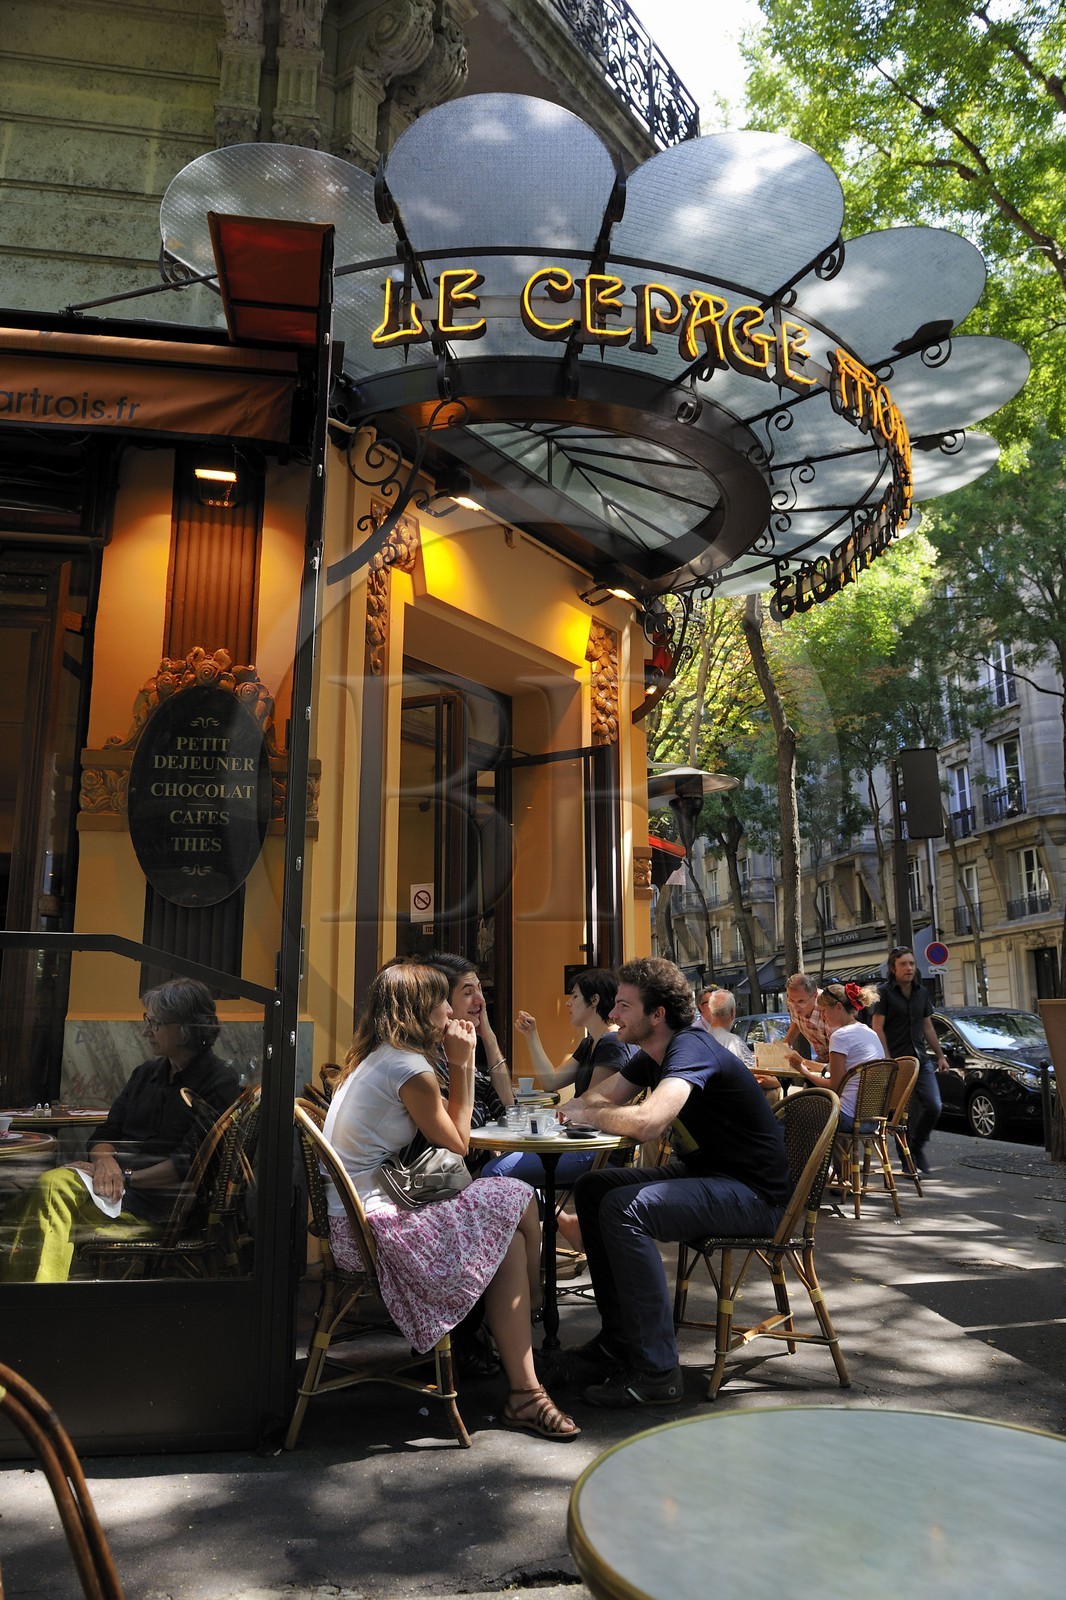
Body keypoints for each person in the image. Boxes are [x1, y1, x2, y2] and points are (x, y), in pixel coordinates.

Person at [321, 961, 579, 1442]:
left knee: (510, 1211)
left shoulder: (380, 1056)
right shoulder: (408, 1067)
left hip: (358, 1222)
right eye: (444, 1000)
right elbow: (459, 1142)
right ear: (422, 1009)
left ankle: (524, 1383)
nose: (449, 1010)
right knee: (513, 1198)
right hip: (371, 1235)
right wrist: (463, 1062)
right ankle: (529, 1341)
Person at [561, 956, 791, 1408]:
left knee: (625, 1207)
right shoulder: (652, 1054)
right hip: (710, 1176)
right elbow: (595, 1099)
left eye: (624, 1006)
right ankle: (617, 1342)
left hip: (753, 1194)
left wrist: (588, 1112)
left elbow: (649, 1122)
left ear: (656, 1015)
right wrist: (579, 1108)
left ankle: (656, 1370)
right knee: (593, 1190)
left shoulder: (691, 1047)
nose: (613, 1015)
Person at [0, 979, 239, 1283]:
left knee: (45, 1199)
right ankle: (34, 1306)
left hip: (160, 1210)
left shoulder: (218, 1081)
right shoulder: (146, 1074)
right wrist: (105, 1163)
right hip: (113, 1194)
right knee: (30, 1203)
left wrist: (125, 1178)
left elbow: (191, 1162)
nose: (145, 1030)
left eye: (155, 1023)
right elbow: (105, 1134)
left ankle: (30, 1311)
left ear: (185, 1028)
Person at [872, 946, 948, 1174]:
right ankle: (908, 1160)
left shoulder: (921, 993)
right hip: (897, 1061)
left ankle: (916, 1146)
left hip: (921, 1060)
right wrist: (886, 1058)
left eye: (912, 964)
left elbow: (927, 1026)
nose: (909, 968)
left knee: (934, 1106)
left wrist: (941, 1056)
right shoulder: (884, 993)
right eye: (903, 964)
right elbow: (877, 1027)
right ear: (893, 969)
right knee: (901, 1114)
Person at [424, 952, 514, 1132]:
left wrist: (489, 1038)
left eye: (479, 989)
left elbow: (507, 1107)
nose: (481, 1000)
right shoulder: (429, 1055)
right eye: (468, 993)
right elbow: (471, 1119)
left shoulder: (455, 1046)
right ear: (442, 1002)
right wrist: (484, 1108)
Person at [792, 982, 884, 1127]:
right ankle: (835, 1150)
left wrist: (803, 1071)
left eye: (824, 1010)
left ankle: (822, 1150)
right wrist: (805, 1062)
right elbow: (835, 1070)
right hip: (872, 1119)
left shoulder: (840, 1036)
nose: (822, 1016)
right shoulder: (868, 1032)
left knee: (789, 1113)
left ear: (839, 1007)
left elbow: (834, 1086)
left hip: (846, 1117)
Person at [699, 987, 781, 1106]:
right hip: (737, 1108)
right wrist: (777, 1082)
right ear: (732, 1012)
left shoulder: (701, 1041)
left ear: (711, 1012)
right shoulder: (734, 1042)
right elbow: (757, 1078)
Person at [784, 971, 830, 1062]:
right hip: (823, 1058)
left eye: (801, 1002)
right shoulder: (794, 1003)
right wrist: (786, 1044)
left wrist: (802, 1063)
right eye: (791, 1000)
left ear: (815, 995)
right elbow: (796, 1021)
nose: (795, 1007)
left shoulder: (828, 1008)